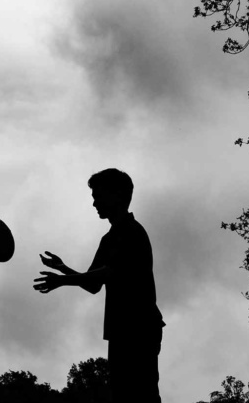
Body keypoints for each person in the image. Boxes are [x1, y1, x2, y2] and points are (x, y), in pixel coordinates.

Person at [33, 168, 164, 403]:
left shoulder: (132, 232)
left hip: (140, 327)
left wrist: (62, 280)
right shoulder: (109, 239)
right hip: (121, 329)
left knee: (142, 394)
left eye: (98, 195)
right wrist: (63, 268)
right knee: (123, 394)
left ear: (117, 195)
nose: (94, 202)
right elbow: (93, 284)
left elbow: (105, 274)